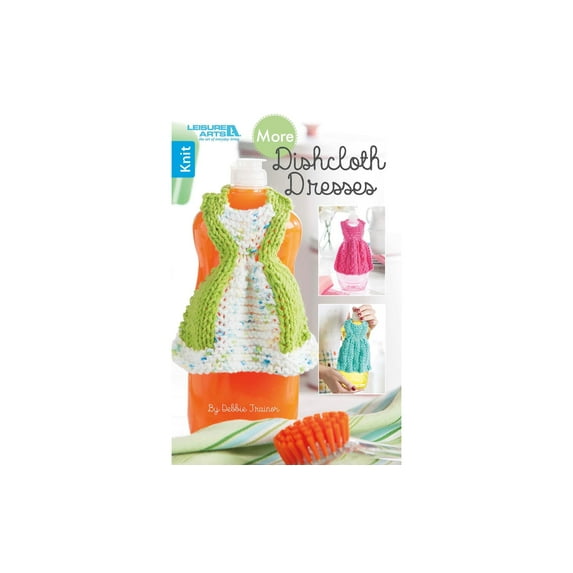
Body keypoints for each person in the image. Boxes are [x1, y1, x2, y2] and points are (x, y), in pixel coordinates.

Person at [318, 304, 378, 393]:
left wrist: (364, 330)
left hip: (338, 375)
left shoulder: (341, 301)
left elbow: (344, 337)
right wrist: (323, 371)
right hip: (313, 375)